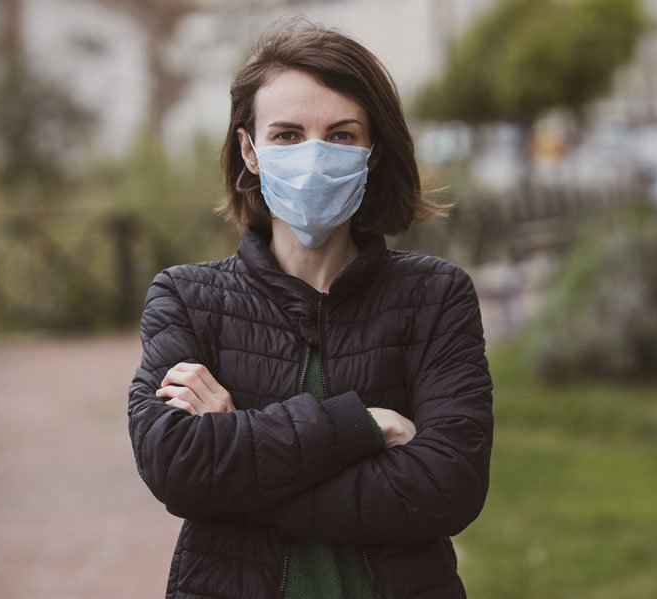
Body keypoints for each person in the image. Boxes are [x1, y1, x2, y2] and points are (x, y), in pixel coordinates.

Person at [127, 17, 493, 599]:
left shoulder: (434, 296)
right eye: (288, 135)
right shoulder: (187, 298)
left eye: (342, 135)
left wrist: (240, 470)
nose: (315, 157)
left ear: (372, 153)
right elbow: (175, 466)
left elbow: (449, 486)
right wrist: (362, 425)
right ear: (249, 150)